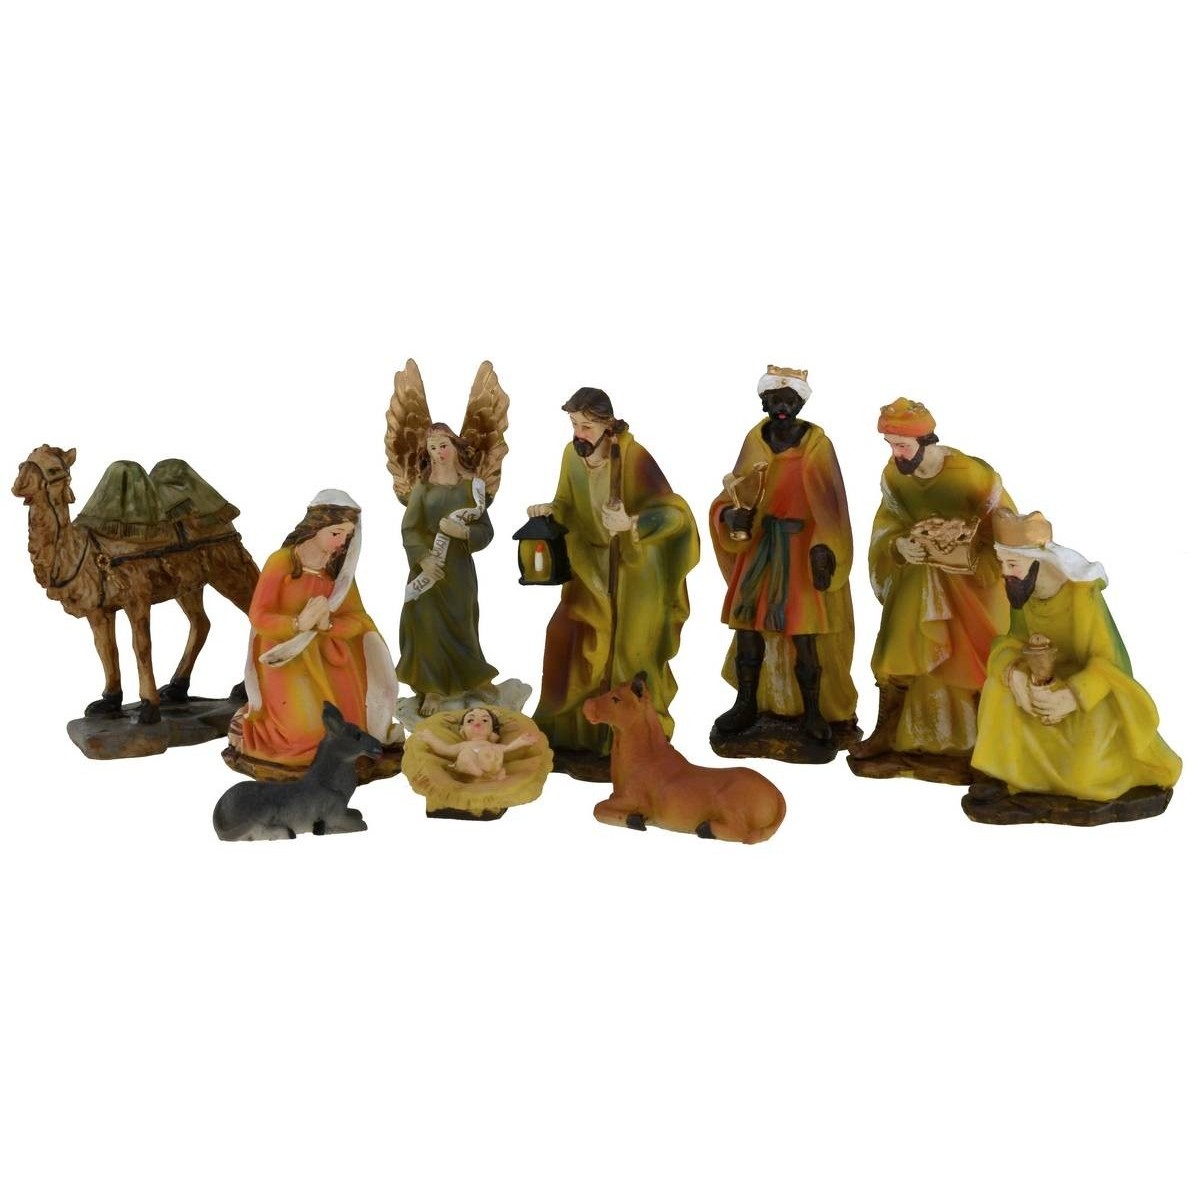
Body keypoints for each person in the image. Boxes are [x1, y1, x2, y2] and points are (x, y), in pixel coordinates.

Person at [527, 387, 699, 771]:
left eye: (586, 426)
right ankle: (575, 732)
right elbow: (567, 503)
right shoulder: (572, 456)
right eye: (574, 424)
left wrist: (632, 523)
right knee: (566, 637)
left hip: (634, 574)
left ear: (607, 425)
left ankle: (633, 740)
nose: (578, 434)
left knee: (628, 656)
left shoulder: (632, 458)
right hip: (589, 570)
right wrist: (551, 509)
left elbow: (674, 513)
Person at [969, 507, 1181, 810]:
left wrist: (1070, 696)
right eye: (1002, 563)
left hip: (1086, 697)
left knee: (1085, 777)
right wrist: (1015, 676)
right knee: (996, 689)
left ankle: (1083, 779)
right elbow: (1012, 641)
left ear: (1039, 562)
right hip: (1039, 685)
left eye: (1012, 564)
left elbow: (1108, 663)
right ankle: (1002, 776)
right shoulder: (1022, 593)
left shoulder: (1083, 596)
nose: (1005, 573)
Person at [849, 399, 1013, 775]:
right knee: (895, 651)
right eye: (890, 445)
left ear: (926, 440)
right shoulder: (895, 477)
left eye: (902, 445)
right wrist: (898, 546)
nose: (896, 454)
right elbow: (888, 524)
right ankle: (888, 733)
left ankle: (986, 742)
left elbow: (1004, 524)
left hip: (966, 585)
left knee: (973, 655)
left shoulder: (969, 474)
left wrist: (972, 555)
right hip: (917, 579)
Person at [709, 366, 857, 748]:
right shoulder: (755, 441)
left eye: (789, 401)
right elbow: (735, 492)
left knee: (804, 634)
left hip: (801, 552)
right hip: (760, 548)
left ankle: (813, 710)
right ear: (763, 402)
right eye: (774, 400)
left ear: (800, 404)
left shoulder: (816, 446)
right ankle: (746, 702)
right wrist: (729, 516)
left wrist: (825, 547)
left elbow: (831, 505)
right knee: (747, 628)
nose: (781, 408)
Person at [235, 490, 399, 769]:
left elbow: (358, 619)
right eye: (336, 533)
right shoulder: (282, 561)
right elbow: (259, 616)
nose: (341, 542)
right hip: (284, 653)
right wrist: (297, 624)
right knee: (305, 737)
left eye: (347, 536)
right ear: (316, 527)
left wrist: (328, 625)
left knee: (348, 727)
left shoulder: (338, 574)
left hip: (327, 655)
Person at [397, 423, 498, 714]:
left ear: (455, 447)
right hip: (429, 570)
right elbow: (410, 529)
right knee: (428, 626)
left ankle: (473, 679)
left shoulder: (472, 488)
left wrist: (463, 532)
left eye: (443, 446)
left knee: (463, 623)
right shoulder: (423, 489)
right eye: (433, 448)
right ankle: (433, 689)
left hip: (459, 570)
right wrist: (423, 559)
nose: (439, 453)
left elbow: (486, 530)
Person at [415, 707, 539, 781]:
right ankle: (481, 775)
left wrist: (521, 741)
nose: (477, 722)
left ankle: (491, 774)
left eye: (485, 720)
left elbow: (507, 749)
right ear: (462, 731)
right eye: (470, 720)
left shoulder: (491, 746)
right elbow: (445, 749)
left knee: (494, 753)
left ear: (493, 733)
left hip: (489, 767)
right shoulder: (464, 746)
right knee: (466, 754)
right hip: (466, 770)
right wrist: (430, 739)